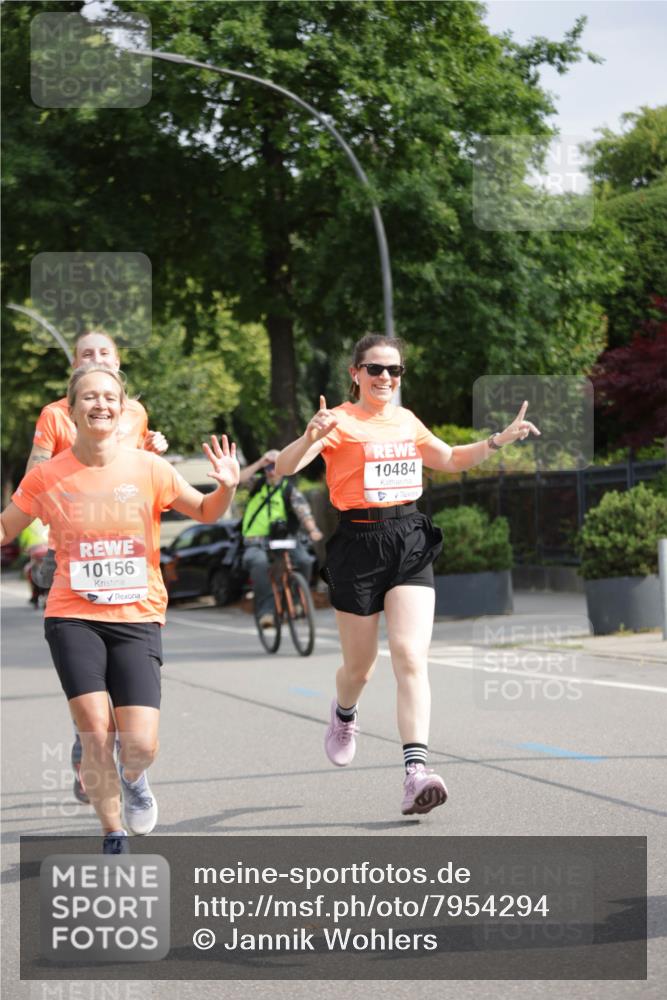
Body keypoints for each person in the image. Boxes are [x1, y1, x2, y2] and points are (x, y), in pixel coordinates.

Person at [275, 334, 540, 816]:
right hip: (357, 544)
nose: (385, 379)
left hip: (409, 537)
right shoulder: (336, 422)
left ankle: (416, 771)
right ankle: (344, 713)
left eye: (394, 371)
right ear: (355, 373)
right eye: (375, 369)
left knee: (409, 654)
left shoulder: (406, 421)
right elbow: (285, 467)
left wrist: (498, 439)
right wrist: (310, 436)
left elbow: (451, 459)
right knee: (360, 669)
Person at [0, 365, 239, 853]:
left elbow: (207, 511)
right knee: (94, 730)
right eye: (89, 398)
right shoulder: (48, 476)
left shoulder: (148, 468)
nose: (101, 405)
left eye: (110, 397)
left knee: (140, 744)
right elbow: (5, 528)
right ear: (70, 411)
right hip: (72, 614)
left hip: (138, 616)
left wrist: (227, 487)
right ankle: (112, 834)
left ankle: (133, 777)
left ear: (124, 407)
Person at [26, 329, 168, 804]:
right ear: (73, 368)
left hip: (129, 557)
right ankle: (89, 734)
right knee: (86, 670)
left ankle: (124, 763)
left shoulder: (134, 412)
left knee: (132, 709)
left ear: (118, 362)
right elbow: (35, 476)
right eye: (86, 353)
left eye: (103, 353)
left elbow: (143, 473)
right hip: (75, 552)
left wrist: (155, 452)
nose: (94, 358)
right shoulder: (56, 415)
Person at [239, 450, 323, 627]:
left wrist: (313, 530)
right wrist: (260, 462)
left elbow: (304, 513)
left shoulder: (289, 490)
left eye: (275, 467)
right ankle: (267, 612)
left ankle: (297, 600)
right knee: (259, 564)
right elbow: (237, 480)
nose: (271, 471)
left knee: (305, 560)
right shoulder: (256, 484)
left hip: (284, 538)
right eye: (268, 467)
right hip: (256, 540)